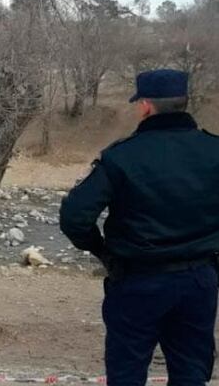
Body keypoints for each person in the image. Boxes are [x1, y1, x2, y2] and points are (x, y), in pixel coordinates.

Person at [59, 69, 219, 385]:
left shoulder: (123, 156)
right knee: (191, 374)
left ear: (145, 106)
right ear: (183, 102)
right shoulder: (213, 151)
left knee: (127, 373)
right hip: (199, 280)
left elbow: (74, 217)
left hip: (137, 280)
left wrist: (102, 250)